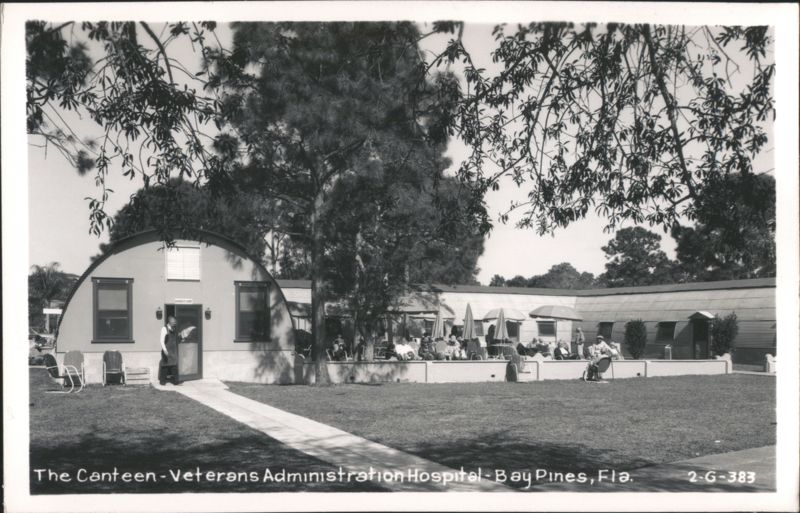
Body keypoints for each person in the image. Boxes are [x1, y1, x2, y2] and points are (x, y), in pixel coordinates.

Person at [159, 316, 180, 385]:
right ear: (170, 321)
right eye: (173, 322)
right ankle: (162, 382)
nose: (175, 323)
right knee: (165, 366)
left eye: (175, 322)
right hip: (166, 350)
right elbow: (161, 341)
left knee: (174, 365)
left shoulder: (174, 329)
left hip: (173, 351)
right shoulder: (164, 329)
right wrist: (165, 350)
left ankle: (176, 381)